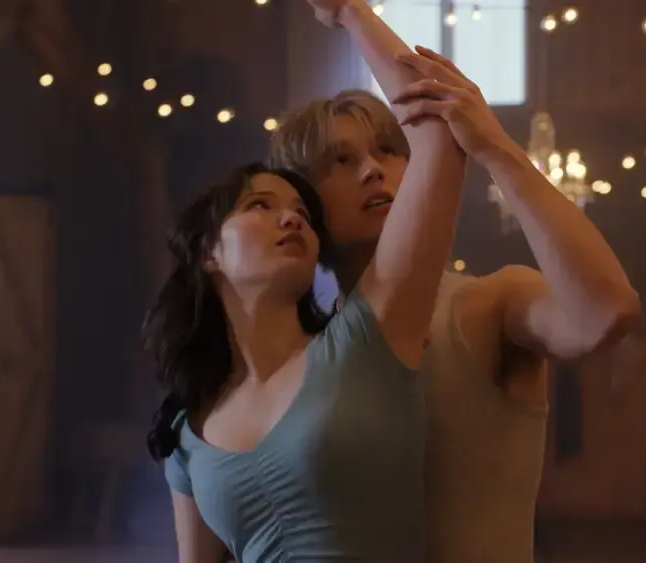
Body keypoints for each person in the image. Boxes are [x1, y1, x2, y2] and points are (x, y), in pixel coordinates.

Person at [270, 2, 642, 562]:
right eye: (340, 161)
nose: (372, 170)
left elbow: (606, 312)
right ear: (304, 201)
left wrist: (495, 148)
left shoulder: (487, 304)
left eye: (389, 150)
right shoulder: (307, 344)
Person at [143, 10, 467, 558]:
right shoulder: (189, 425)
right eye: (260, 206)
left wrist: (350, 13)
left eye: (301, 211)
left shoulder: (365, 342)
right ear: (208, 252)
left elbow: (436, 130)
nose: (291, 218)